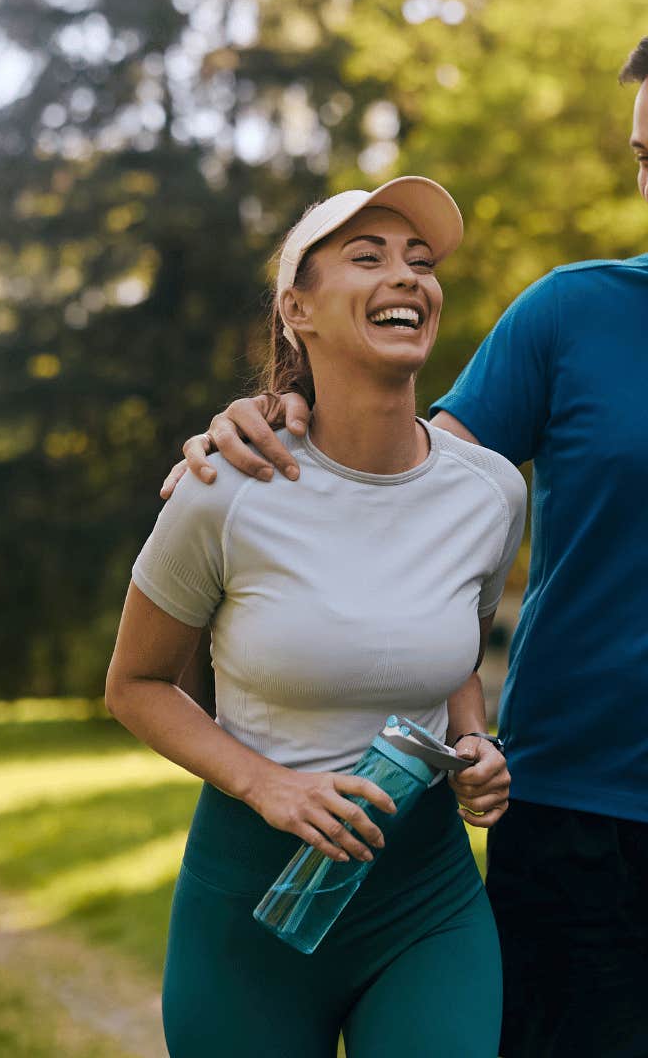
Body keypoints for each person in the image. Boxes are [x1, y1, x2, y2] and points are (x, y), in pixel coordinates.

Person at [163, 18, 648, 1058]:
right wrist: (276, 415)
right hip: (569, 837)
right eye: (645, 157)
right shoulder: (569, 315)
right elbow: (397, 478)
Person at [108, 176, 525, 1057]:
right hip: (250, 902)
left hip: (424, 902)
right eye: (367, 258)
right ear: (299, 309)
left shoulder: (490, 493)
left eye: (421, 262)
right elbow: (135, 685)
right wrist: (269, 785)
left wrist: (474, 743)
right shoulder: (225, 490)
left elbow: (445, 642)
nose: (407, 276)